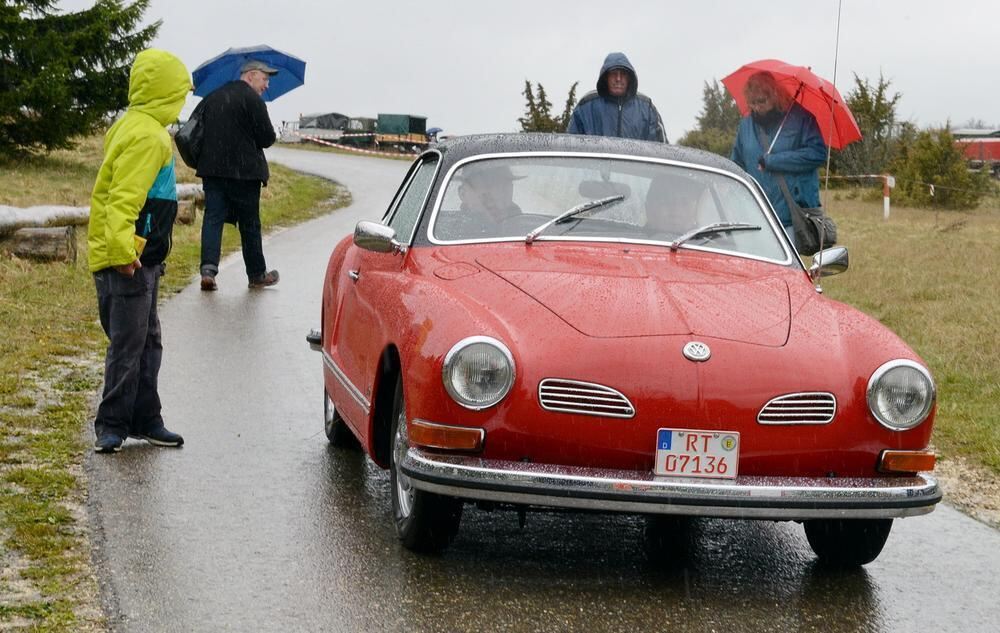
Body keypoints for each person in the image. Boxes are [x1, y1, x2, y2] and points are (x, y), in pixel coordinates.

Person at [87, 49, 190, 453]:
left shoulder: (133, 124)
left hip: (144, 257)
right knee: (129, 345)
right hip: (129, 259)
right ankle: (110, 425)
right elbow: (122, 199)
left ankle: (147, 418)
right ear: (166, 93)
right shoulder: (148, 136)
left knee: (147, 341)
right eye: (180, 94)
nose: (183, 103)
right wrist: (122, 253)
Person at [195, 59, 280, 290]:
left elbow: (196, 131)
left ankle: (208, 271)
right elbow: (267, 139)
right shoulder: (253, 101)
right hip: (245, 173)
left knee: (213, 219)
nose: (266, 86)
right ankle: (256, 274)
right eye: (265, 79)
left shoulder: (213, 97)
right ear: (251, 75)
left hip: (213, 172)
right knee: (250, 224)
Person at [730, 71, 826, 248]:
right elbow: (736, 163)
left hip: (790, 215)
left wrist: (774, 161)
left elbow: (818, 153)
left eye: (762, 101)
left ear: (775, 95)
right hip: (756, 213)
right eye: (753, 102)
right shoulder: (745, 126)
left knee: (786, 271)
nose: (757, 107)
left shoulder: (801, 118)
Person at [567, 52, 667, 142]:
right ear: (606, 77)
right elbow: (570, 147)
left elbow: (662, 151)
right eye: (613, 73)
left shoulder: (647, 108)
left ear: (629, 77)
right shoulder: (586, 107)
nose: (618, 79)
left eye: (623, 74)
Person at [453, 163, 524, 236]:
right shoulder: (455, 233)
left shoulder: (523, 226)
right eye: (487, 186)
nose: (498, 194)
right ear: (463, 194)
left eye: (505, 185)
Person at [644, 172, 707, 237]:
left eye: (685, 203)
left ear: (695, 212)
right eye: (667, 202)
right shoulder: (636, 240)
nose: (676, 211)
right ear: (649, 210)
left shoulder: (709, 244)